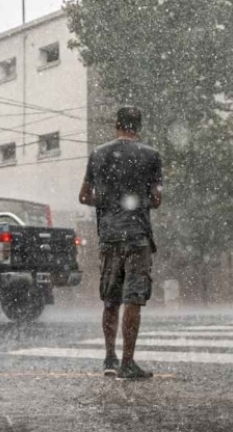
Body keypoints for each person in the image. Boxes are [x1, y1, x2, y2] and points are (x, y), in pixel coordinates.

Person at [79, 106, 163, 380]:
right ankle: (128, 362)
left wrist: (107, 201)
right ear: (138, 128)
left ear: (116, 125)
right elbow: (157, 199)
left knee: (111, 299)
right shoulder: (151, 156)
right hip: (138, 236)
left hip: (110, 235)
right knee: (133, 300)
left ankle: (109, 358)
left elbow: (83, 196)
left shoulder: (98, 154)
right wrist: (135, 201)